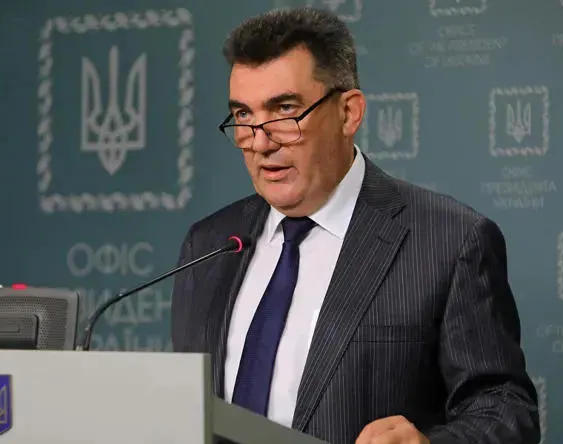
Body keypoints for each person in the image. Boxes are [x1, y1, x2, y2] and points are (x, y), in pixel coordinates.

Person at [172, 7, 539, 444]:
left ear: (349, 113)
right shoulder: (208, 245)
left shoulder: (449, 241)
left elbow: (505, 410)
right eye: (244, 116)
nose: (261, 142)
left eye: (285, 110)